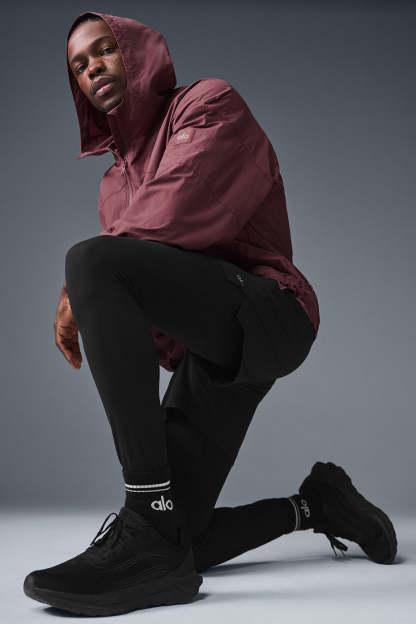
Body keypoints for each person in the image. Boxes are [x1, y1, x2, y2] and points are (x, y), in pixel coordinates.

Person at [23, 11, 397, 617]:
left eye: (104, 50)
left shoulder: (208, 105)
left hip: (273, 311)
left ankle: (144, 513)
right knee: (180, 536)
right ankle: (315, 505)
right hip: (211, 346)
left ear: (135, 52)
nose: (93, 69)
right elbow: (148, 302)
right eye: (79, 65)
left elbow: (183, 205)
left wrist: (78, 290)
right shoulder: (114, 186)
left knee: (90, 260)